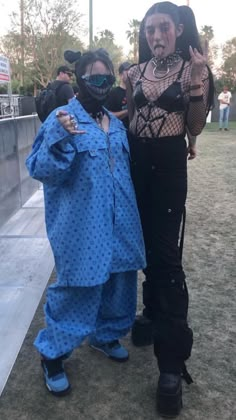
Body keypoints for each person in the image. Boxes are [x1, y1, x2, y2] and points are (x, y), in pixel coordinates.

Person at [26, 48, 145, 397]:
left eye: (106, 78)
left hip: (121, 222)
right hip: (81, 228)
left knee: (120, 282)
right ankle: (53, 354)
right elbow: (41, 170)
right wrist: (59, 136)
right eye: (93, 77)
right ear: (79, 79)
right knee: (79, 288)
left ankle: (106, 336)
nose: (101, 84)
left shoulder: (116, 123)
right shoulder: (63, 118)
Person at [126, 2, 214, 417]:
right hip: (135, 165)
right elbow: (130, 115)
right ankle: (150, 312)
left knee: (166, 257)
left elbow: (195, 126)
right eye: (149, 31)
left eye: (163, 28)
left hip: (169, 167)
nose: (156, 36)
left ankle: (171, 364)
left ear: (177, 29)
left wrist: (196, 83)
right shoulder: (134, 73)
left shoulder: (192, 68)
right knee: (142, 247)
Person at [104, 61, 131, 129]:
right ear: (121, 75)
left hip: (136, 134)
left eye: (132, 70)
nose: (131, 72)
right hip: (121, 133)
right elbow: (107, 115)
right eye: (128, 70)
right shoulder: (113, 93)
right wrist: (129, 110)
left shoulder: (136, 91)